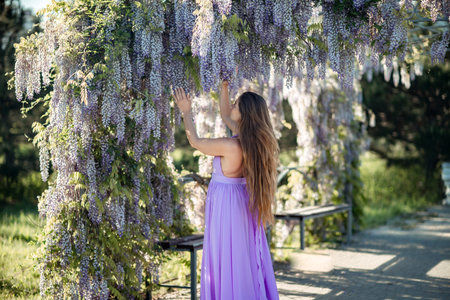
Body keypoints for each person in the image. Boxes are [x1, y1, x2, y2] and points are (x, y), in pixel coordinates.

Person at [172, 79, 280, 300]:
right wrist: (224, 87)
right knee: (240, 256)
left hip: (227, 208)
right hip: (241, 203)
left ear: (245, 113)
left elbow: (195, 141)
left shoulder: (231, 145)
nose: (232, 107)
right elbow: (224, 114)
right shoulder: (252, 142)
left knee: (226, 256)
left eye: (236, 104)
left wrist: (186, 111)